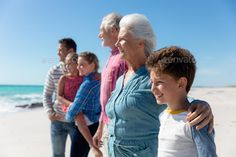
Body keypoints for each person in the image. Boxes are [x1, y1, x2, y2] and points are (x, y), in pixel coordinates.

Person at [105, 13, 214, 157]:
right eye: (117, 40)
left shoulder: (154, 75)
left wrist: (202, 105)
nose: (117, 44)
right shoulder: (120, 79)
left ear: (141, 43)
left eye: (122, 39)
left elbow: (178, 95)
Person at [147, 46, 217, 157]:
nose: (152, 89)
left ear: (181, 83)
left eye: (159, 82)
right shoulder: (163, 115)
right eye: (152, 82)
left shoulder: (196, 120)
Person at [92, 12, 127, 156]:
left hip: (120, 126)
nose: (99, 35)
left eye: (101, 30)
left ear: (113, 30)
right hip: (108, 124)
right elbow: (105, 99)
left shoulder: (124, 57)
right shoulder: (112, 56)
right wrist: (100, 127)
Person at [43, 38, 77, 157]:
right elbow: (47, 94)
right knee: (57, 155)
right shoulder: (53, 71)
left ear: (70, 50)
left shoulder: (82, 69)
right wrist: (49, 112)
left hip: (77, 122)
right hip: (57, 121)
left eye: (60, 50)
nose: (57, 53)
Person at [65, 52, 102, 157]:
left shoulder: (88, 84)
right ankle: (94, 148)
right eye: (78, 64)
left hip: (85, 127)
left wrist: (68, 114)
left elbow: (73, 112)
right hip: (95, 122)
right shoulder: (99, 80)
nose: (78, 67)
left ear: (92, 65)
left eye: (82, 65)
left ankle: (94, 148)